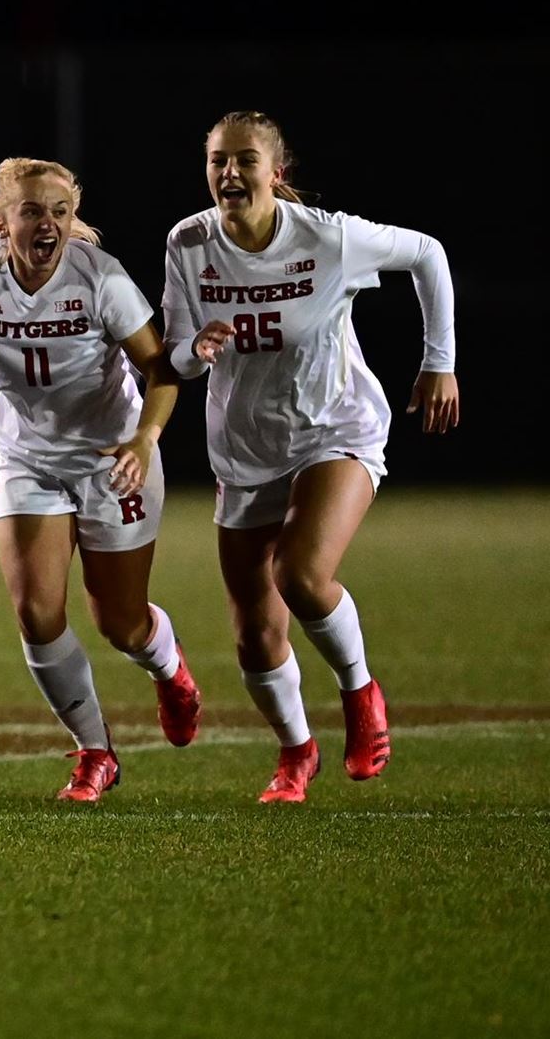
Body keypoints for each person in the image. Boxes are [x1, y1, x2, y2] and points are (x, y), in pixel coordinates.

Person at [0, 158, 201, 802]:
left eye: (59, 211)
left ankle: (169, 670)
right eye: (31, 211)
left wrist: (144, 439)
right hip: (27, 459)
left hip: (111, 458)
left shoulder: (100, 278)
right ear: (2, 222)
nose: (47, 223)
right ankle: (95, 752)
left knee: (121, 623)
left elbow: (162, 369)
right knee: (37, 613)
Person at [162, 111, 459, 803]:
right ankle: (297, 752)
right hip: (245, 449)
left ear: (276, 172)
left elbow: (428, 253)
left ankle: (360, 692)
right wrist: (194, 350)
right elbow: (175, 353)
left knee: (299, 574)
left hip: (335, 429)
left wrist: (439, 362)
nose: (229, 172)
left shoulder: (328, 237)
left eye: (245, 160)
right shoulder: (188, 241)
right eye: (217, 160)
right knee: (254, 637)